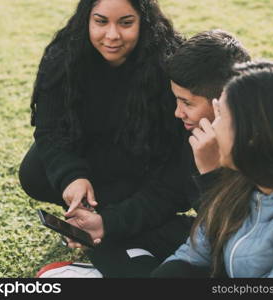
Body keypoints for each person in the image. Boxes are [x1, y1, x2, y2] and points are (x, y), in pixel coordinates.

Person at [42, 29, 250, 277]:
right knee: (106, 239)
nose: (178, 112)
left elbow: (241, 239)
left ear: (222, 101)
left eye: (187, 103)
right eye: (176, 100)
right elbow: (165, 193)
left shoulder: (257, 144)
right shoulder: (193, 133)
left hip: (237, 256)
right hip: (204, 237)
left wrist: (211, 172)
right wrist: (105, 224)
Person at [18, 0, 188, 277]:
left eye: (125, 22)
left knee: (129, 220)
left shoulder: (169, 62)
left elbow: (175, 166)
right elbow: (50, 129)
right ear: (87, 19)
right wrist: (72, 177)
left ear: (143, 21)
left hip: (145, 162)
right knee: (35, 171)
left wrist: (111, 220)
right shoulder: (63, 55)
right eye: (100, 21)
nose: (111, 35)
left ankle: (112, 223)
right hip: (98, 154)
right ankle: (98, 217)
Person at [152, 60, 273, 277]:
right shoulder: (254, 170)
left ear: (251, 136)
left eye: (221, 117)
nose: (214, 126)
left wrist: (211, 176)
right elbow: (199, 249)